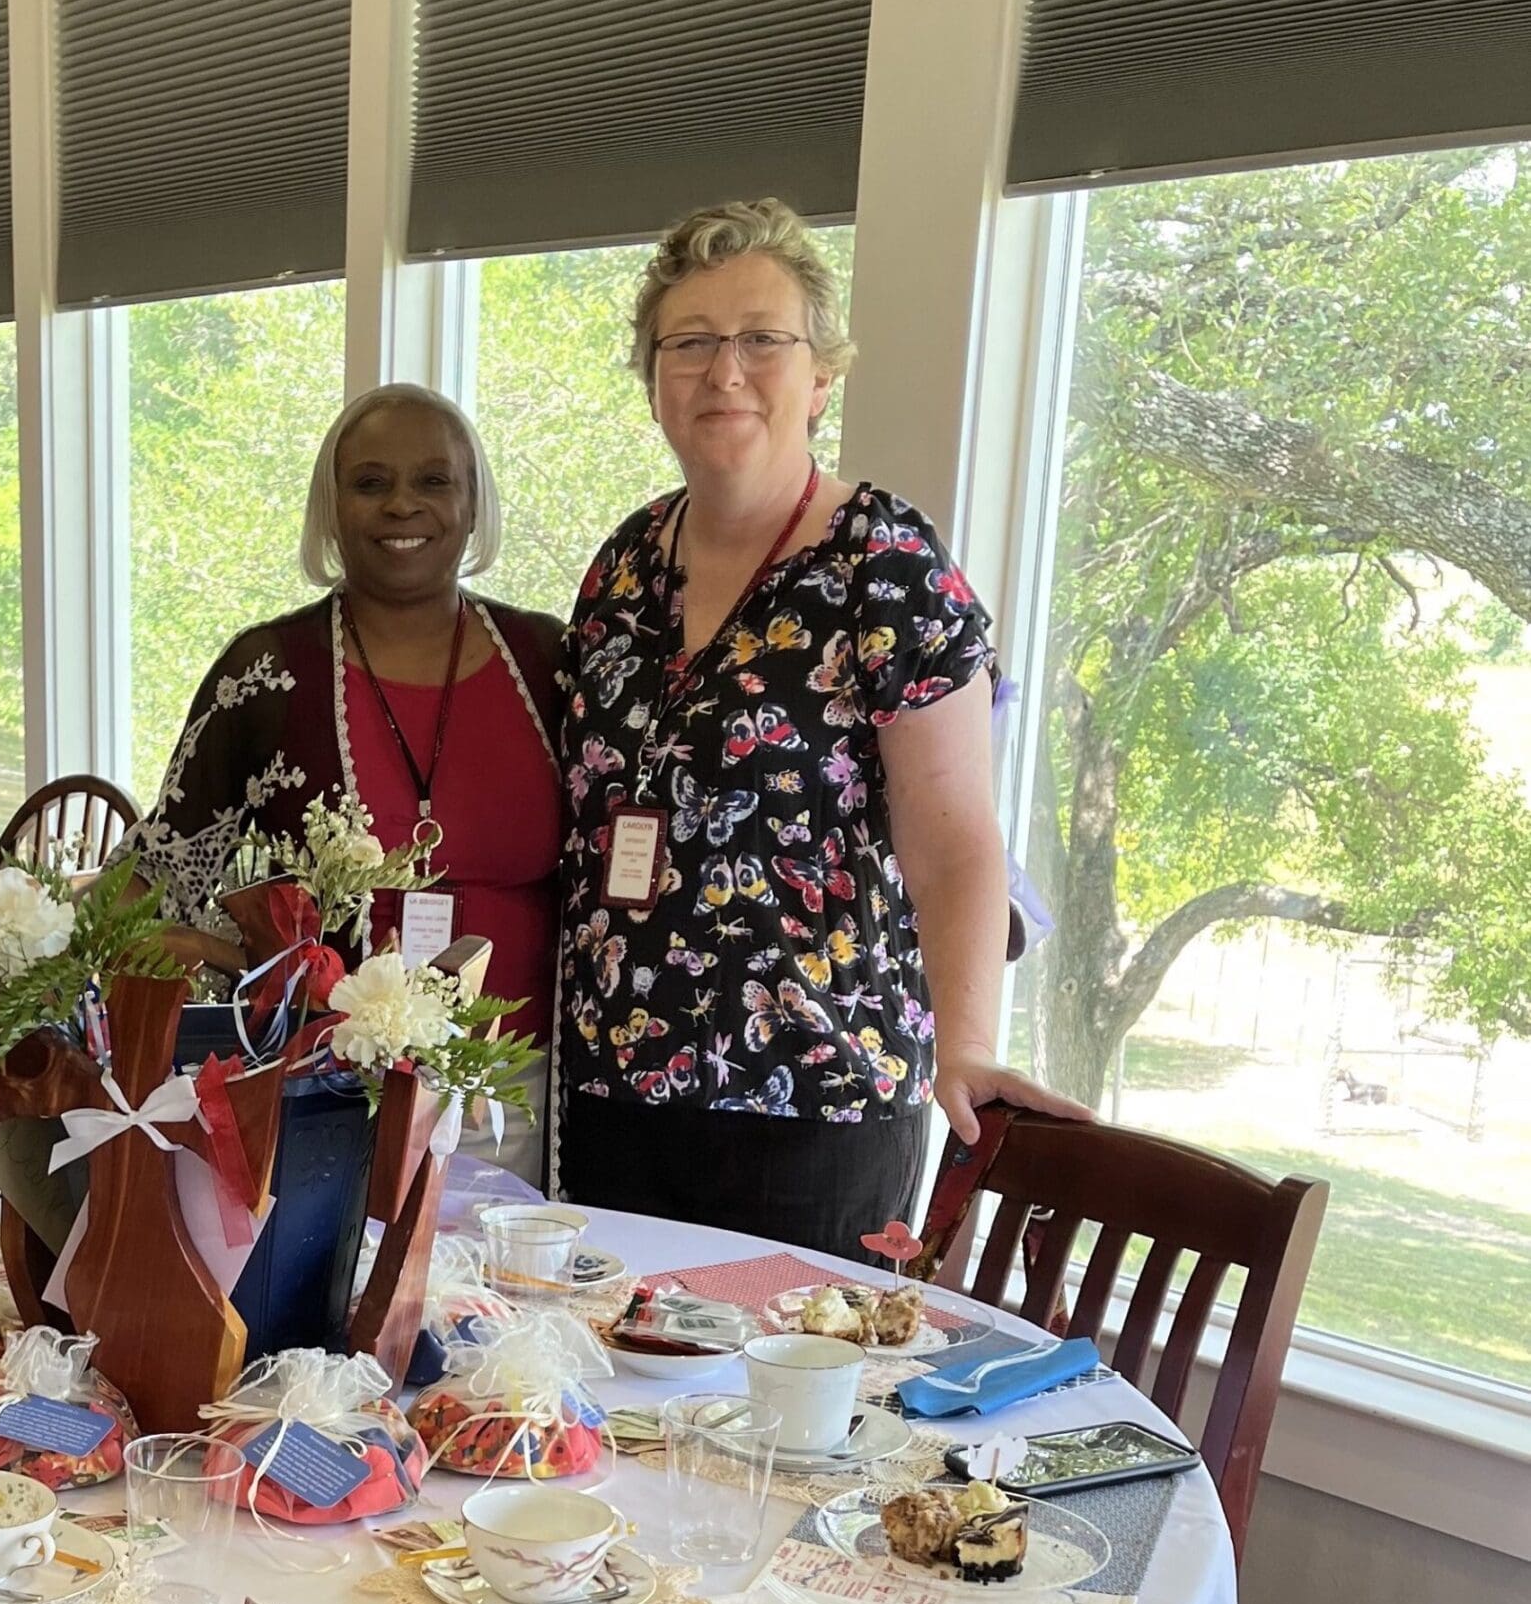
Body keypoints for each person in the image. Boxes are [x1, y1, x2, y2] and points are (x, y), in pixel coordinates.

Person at [553, 199, 1086, 1254]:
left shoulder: (884, 567)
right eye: (689, 342)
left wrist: (968, 1042)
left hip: (812, 1094)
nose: (724, 370)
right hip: (615, 1085)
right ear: (651, 376)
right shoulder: (622, 564)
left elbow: (952, 840)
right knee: (610, 1405)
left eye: (761, 339)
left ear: (821, 374)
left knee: (780, 1417)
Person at [122, 383, 568, 1181]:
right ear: (332, 508)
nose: (403, 504)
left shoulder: (546, 658)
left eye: (434, 481)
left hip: (521, 1096)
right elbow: (162, 875)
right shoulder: (268, 670)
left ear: (472, 504)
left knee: (505, 1303)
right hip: (325, 1089)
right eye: (370, 482)